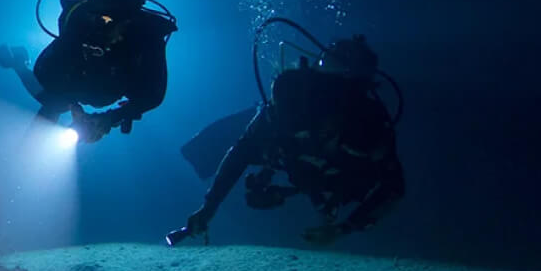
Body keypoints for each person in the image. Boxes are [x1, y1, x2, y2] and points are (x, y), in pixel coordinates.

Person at [168, 30, 404, 246]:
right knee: (248, 129)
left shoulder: (370, 128)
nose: (320, 107)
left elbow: (393, 186)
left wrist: (346, 228)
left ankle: (321, 199)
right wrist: (209, 207)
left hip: (334, 172)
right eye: (320, 93)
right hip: (299, 161)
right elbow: (241, 151)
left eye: (334, 97)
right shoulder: (288, 104)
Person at [0, 0, 176, 143]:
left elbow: (152, 96)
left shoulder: (146, 38)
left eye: (108, 21)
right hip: (79, 78)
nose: (100, 26)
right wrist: (74, 106)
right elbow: (47, 73)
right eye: (96, 17)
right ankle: (19, 65)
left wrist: (110, 118)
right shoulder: (78, 21)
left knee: (69, 101)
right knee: (54, 102)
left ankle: (21, 67)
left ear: (128, 20)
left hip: (111, 87)